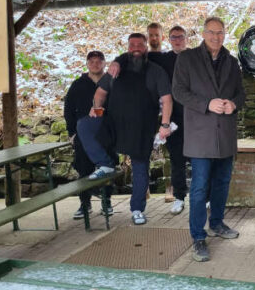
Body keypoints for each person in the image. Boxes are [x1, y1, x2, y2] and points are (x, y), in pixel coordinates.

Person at [76, 33, 173, 226]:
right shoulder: (116, 69)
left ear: (146, 47)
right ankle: (105, 164)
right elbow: (100, 92)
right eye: (132, 44)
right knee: (84, 125)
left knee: (140, 167)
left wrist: (165, 124)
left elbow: (167, 99)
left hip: (142, 127)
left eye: (140, 44)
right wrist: (96, 108)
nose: (136, 47)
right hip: (115, 123)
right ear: (127, 47)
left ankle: (137, 209)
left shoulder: (155, 70)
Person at [172, 17, 245, 262]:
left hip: (224, 133)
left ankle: (217, 223)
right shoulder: (187, 58)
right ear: (203, 34)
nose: (216, 37)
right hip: (200, 135)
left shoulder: (232, 62)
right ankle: (198, 236)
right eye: (212, 32)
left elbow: (241, 94)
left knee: (222, 183)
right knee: (200, 186)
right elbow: (179, 92)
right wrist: (206, 104)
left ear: (225, 35)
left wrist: (233, 104)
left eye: (220, 33)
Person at [108, 25, 189, 215]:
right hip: (174, 116)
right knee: (177, 158)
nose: (177, 40)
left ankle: (207, 197)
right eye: (174, 37)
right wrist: (117, 61)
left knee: (201, 156)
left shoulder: (195, 57)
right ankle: (179, 197)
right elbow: (135, 54)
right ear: (168, 39)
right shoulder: (161, 58)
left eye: (181, 37)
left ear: (186, 39)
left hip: (196, 114)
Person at [64, 51, 113, 219]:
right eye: (91, 61)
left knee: (106, 168)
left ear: (104, 63)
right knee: (84, 169)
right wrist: (71, 133)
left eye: (99, 61)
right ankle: (85, 203)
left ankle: (107, 202)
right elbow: (68, 110)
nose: (95, 64)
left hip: (106, 134)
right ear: (87, 64)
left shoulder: (111, 83)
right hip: (82, 135)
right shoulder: (78, 84)